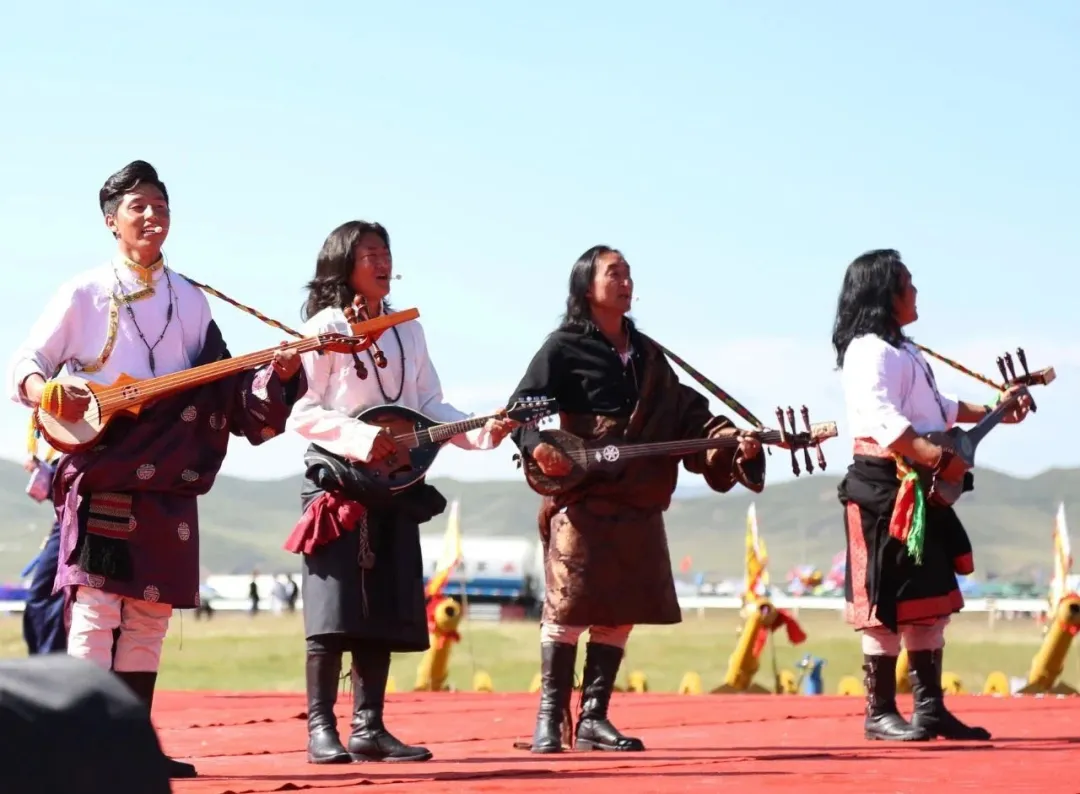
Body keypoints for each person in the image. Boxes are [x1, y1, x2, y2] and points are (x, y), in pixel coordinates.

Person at [6, 160, 307, 779]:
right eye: (138, 206)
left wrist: (277, 373)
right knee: (97, 611)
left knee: (148, 616)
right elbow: (27, 364)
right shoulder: (84, 292)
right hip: (106, 469)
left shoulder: (192, 299)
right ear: (110, 221)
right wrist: (48, 393)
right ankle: (83, 747)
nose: (152, 216)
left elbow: (226, 382)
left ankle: (131, 748)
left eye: (160, 205)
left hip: (169, 475)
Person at [506, 245, 766, 754]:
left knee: (619, 609)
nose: (625, 281)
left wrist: (731, 440)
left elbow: (687, 415)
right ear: (587, 288)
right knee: (567, 605)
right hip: (584, 495)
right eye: (613, 273)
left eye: (628, 274)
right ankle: (550, 720)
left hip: (640, 496)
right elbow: (522, 411)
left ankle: (594, 720)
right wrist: (538, 446)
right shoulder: (562, 348)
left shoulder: (650, 355)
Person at [284, 220, 518, 765]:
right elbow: (303, 410)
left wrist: (484, 430)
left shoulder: (408, 329)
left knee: (384, 608)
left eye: (386, 253)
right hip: (338, 482)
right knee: (332, 610)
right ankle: (321, 728)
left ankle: (369, 727)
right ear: (346, 264)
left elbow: (429, 405)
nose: (382, 262)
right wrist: (364, 438)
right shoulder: (324, 327)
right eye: (370, 254)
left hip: (395, 483)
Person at [831, 248, 1032, 742]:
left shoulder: (907, 351)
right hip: (884, 485)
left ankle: (930, 709)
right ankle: (879, 713)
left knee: (928, 599)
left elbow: (936, 408)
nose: (916, 292)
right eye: (909, 283)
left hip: (923, 483)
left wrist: (994, 409)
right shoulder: (868, 350)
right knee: (885, 599)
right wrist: (938, 459)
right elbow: (886, 423)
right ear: (886, 293)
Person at [21, 441, 67, 656]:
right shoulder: (63, 434)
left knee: (49, 596)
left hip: (75, 522)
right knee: (42, 597)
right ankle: (45, 662)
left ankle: (50, 663)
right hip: (64, 521)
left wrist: (49, 473)